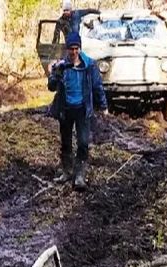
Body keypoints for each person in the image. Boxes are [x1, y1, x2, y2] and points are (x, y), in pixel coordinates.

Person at [47, 32, 107, 190]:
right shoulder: (61, 65)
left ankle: (79, 175)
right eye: (71, 49)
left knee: (83, 142)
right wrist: (56, 75)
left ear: (80, 48)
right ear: (67, 49)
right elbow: (51, 87)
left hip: (82, 109)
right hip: (65, 109)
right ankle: (67, 171)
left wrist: (103, 106)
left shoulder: (89, 65)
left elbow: (97, 86)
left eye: (76, 48)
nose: (73, 52)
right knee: (66, 142)